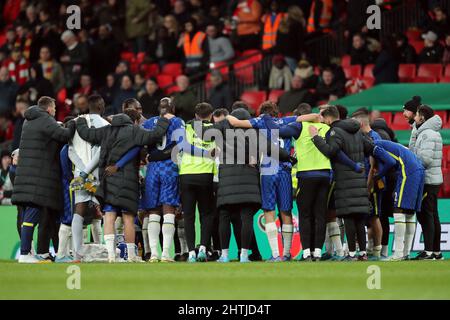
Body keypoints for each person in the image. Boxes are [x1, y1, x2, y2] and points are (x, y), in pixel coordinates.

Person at [75, 106, 172, 263]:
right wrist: (163, 121)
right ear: (131, 121)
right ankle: (132, 255)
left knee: (109, 216)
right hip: (128, 181)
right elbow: (155, 135)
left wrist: (80, 120)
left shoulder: (106, 131)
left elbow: (86, 134)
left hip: (107, 179)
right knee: (128, 218)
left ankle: (111, 256)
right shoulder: (134, 130)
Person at [227, 101, 298, 262]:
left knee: (269, 211)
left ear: (262, 112)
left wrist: (226, 115)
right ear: (277, 113)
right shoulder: (286, 121)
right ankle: (287, 254)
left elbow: (235, 122)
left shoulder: (260, 121)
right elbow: (304, 117)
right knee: (286, 212)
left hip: (268, 171)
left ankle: (275, 254)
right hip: (285, 171)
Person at [12, 96, 76, 263]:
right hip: (37, 180)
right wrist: (76, 123)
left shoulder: (29, 120)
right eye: (54, 108)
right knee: (31, 217)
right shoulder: (44, 119)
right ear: (48, 108)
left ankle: (27, 253)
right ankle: (25, 254)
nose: (55, 112)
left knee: (27, 216)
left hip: (26, 176)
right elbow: (65, 135)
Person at [309, 105, 373, 261]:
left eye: (323, 118)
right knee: (359, 217)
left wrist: (316, 138)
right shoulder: (356, 129)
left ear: (329, 118)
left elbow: (331, 151)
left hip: (344, 178)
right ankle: (362, 253)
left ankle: (351, 254)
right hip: (359, 177)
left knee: (348, 217)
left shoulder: (334, 131)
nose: (322, 121)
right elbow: (369, 147)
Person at [142, 98, 184, 263]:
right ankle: (166, 253)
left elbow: (141, 142)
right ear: (173, 107)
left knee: (153, 211)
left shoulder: (150, 122)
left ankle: (153, 254)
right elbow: (180, 145)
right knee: (168, 210)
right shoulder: (178, 121)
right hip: (170, 167)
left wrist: (148, 156)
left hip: (152, 169)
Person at [68, 95, 110, 262]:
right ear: (100, 106)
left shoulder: (77, 122)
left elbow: (70, 150)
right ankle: (110, 252)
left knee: (79, 210)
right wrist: (90, 171)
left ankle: (77, 254)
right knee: (107, 211)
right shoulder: (107, 125)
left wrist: (83, 171)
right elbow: (102, 152)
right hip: (99, 174)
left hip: (79, 174)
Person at [369, 140, 425, 261]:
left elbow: (391, 161)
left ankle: (398, 253)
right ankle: (406, 253)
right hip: (419, 168)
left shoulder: (375, 146)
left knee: (398, 210)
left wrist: (378, 176)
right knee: (409, 212)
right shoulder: (387, 144)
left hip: (408, 170)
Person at [178, 102, 216, 262]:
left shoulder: (186, 127)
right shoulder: (217, 130)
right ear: (211, 115)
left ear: (195, 115)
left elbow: (183, 147)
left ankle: (191, 252)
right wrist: (207, 153)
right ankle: (203, 248)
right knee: (206, 214)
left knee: (188, 216)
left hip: (186, 174)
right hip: (206, 174)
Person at [409, 105, 443, 260]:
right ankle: (436, 252)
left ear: (422, 117)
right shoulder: (428, 133)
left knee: (426, 215)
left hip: (427, 180)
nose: (415, 117)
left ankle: (429, 251)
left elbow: (425, 159)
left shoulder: (427, 135)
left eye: (416, 114)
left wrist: (410, 159)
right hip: (432, 179)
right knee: (432, 215)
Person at [351, 108, 383, 260]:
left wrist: (370, 185)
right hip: (363, 182)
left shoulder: (374, 137)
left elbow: (375, 165)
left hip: (373, 184)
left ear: (362, 123)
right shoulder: (361, 137)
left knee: (374, 216)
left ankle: (377, 251)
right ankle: (370, 249)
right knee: (366, 216)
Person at [274, 5, 305, 72]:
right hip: (292, 54)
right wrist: (303, 53)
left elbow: (277, 39)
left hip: (280, 54)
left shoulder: (282, 23)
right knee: (297, 74)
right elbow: (300, 41)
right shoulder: (297, 24)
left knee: (287, 75)